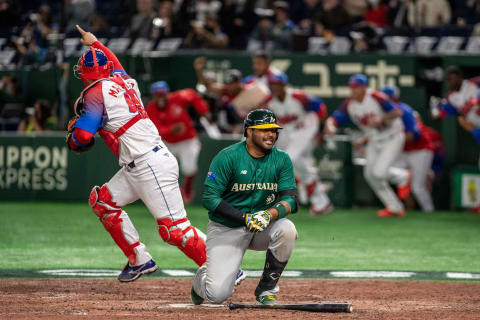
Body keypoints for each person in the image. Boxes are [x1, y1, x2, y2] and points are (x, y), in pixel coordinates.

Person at [65, 25, 207, 282]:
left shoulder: (94, 94)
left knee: (175, 231)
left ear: (85, 73)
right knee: (103, 201)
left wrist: (74, 136)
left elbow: (82, 138)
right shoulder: (124, 80)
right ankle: (139, 259)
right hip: (140, 163)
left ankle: (223, 267)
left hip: (148, 163)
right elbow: (115, 62)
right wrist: (95, 42)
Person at [191, 109, 298, 306]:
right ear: (249, 131)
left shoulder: (281, 159)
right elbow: (210, 198)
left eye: (274, 130)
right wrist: (245, 219)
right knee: (217, 295)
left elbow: (290, 200)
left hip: (262, 226)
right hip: (227, 227)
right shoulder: (227, 157)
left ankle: (267, 289)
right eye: (264, 130)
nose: (271, 135)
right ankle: (202, 278)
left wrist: (268, 214)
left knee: (287, 229)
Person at [324, 74, 405, 217]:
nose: (354, 90)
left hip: (392, 136)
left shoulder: (376, 97)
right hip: (374, 138)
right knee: (370, 175)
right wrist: (330, 126)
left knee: (379, 173)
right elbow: (334, 119)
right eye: (352, 87)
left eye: (357, 87)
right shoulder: (350, 104)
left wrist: (382, 118)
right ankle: (395, 207)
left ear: (364, 88)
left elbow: (397, 112)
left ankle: (402, 176)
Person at [266, 73, 333, 215]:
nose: (275, 87)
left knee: (289, 159)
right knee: (300, 165)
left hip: (306, 127)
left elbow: (320, 108)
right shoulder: (270, 101)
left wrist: (321, 133)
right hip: (288, 132)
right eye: (273, 84)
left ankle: (308, 188)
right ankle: (321, 200)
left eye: (278, 84)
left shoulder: (298, 97)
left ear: (284, 85)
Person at [146, 80, 211, 203]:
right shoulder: (151, 107)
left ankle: (187, 187)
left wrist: (203, 110)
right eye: (157, 95)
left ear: (167, 93)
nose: (160, 98)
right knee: (161, 169)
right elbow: (156, 129)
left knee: (189, 168)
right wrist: (172, 129)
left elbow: (192, 94)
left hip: (187, 139)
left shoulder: (177, 97)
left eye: (162, 94)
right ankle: (164, 195)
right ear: (153, 96)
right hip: (168, 143)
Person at [381, 85, 435, 212]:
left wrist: (390, 138)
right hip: (403, 150)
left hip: (420, 149)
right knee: (385, 171)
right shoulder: (382, 112)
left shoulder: (403, 110)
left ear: (394, 98)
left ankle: (429, 211)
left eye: (387, 98)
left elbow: (412, 136)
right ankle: (406, 207)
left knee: (417, 187)